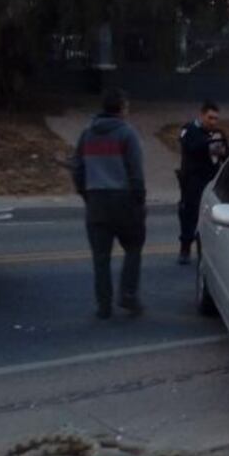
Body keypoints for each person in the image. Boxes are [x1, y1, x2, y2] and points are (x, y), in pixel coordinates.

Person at [72, 88, 146, 319]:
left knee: (101, 258)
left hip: (96, 201)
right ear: (122, 109)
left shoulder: (87, 134)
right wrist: (139, 200)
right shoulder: (127, 134)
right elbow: (136, 172)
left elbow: (78, 169)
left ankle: (103, 305)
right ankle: (128, 295)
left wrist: (86, 193)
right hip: (123, 200)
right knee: (133, 247)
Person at [177, 100, 229, 265]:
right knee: (189, 214)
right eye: (210, 118)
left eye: (215, 119)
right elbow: (190, 146)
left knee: (214, 217)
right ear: (202, 115)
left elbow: (226, 153)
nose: (213, 122)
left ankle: (209, 251)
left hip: (212, 181)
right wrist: (210, 142)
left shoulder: (217, 133)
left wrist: (222, 149)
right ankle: (185, 247)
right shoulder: (189, 129)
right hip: (193, 180)